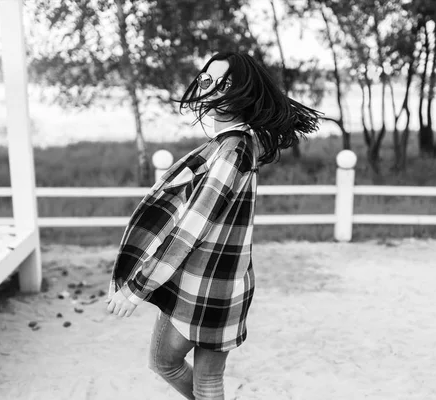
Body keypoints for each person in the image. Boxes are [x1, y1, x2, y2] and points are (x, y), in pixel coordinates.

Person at [105, 51, 322, 400]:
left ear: (246, 91)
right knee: (208, 383)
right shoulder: (241, 144)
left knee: (165, 363)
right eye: (208, 81)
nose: (216, 90)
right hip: (228, 285)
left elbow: (192, 227)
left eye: (228, 84)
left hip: (200, 287)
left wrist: (138, 287)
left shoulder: (233, 149)